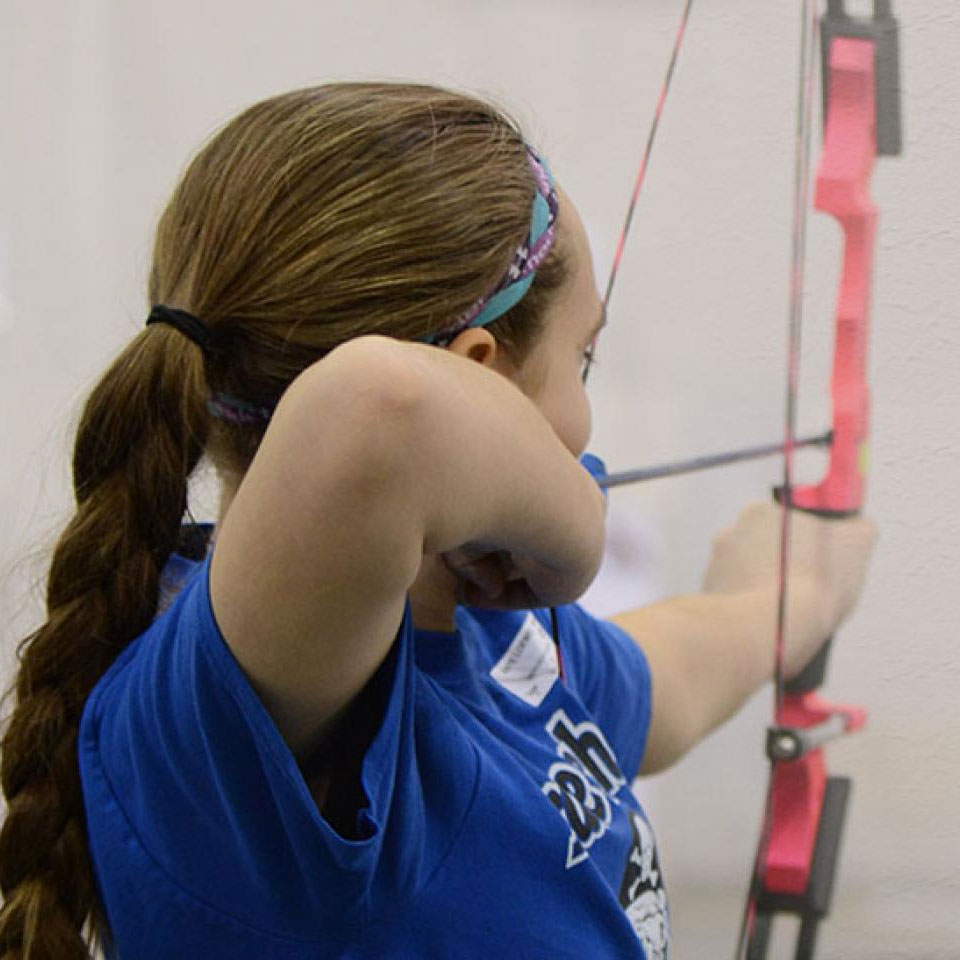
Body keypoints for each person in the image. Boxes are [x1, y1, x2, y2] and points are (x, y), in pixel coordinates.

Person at [0, 83, 875, 960]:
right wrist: (575, 528)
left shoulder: (487, 628)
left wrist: (799, 587)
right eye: (584, 356)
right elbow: (381, 410)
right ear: (480, 371)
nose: (586, 404)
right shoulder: (230, 711)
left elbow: (664, 681)